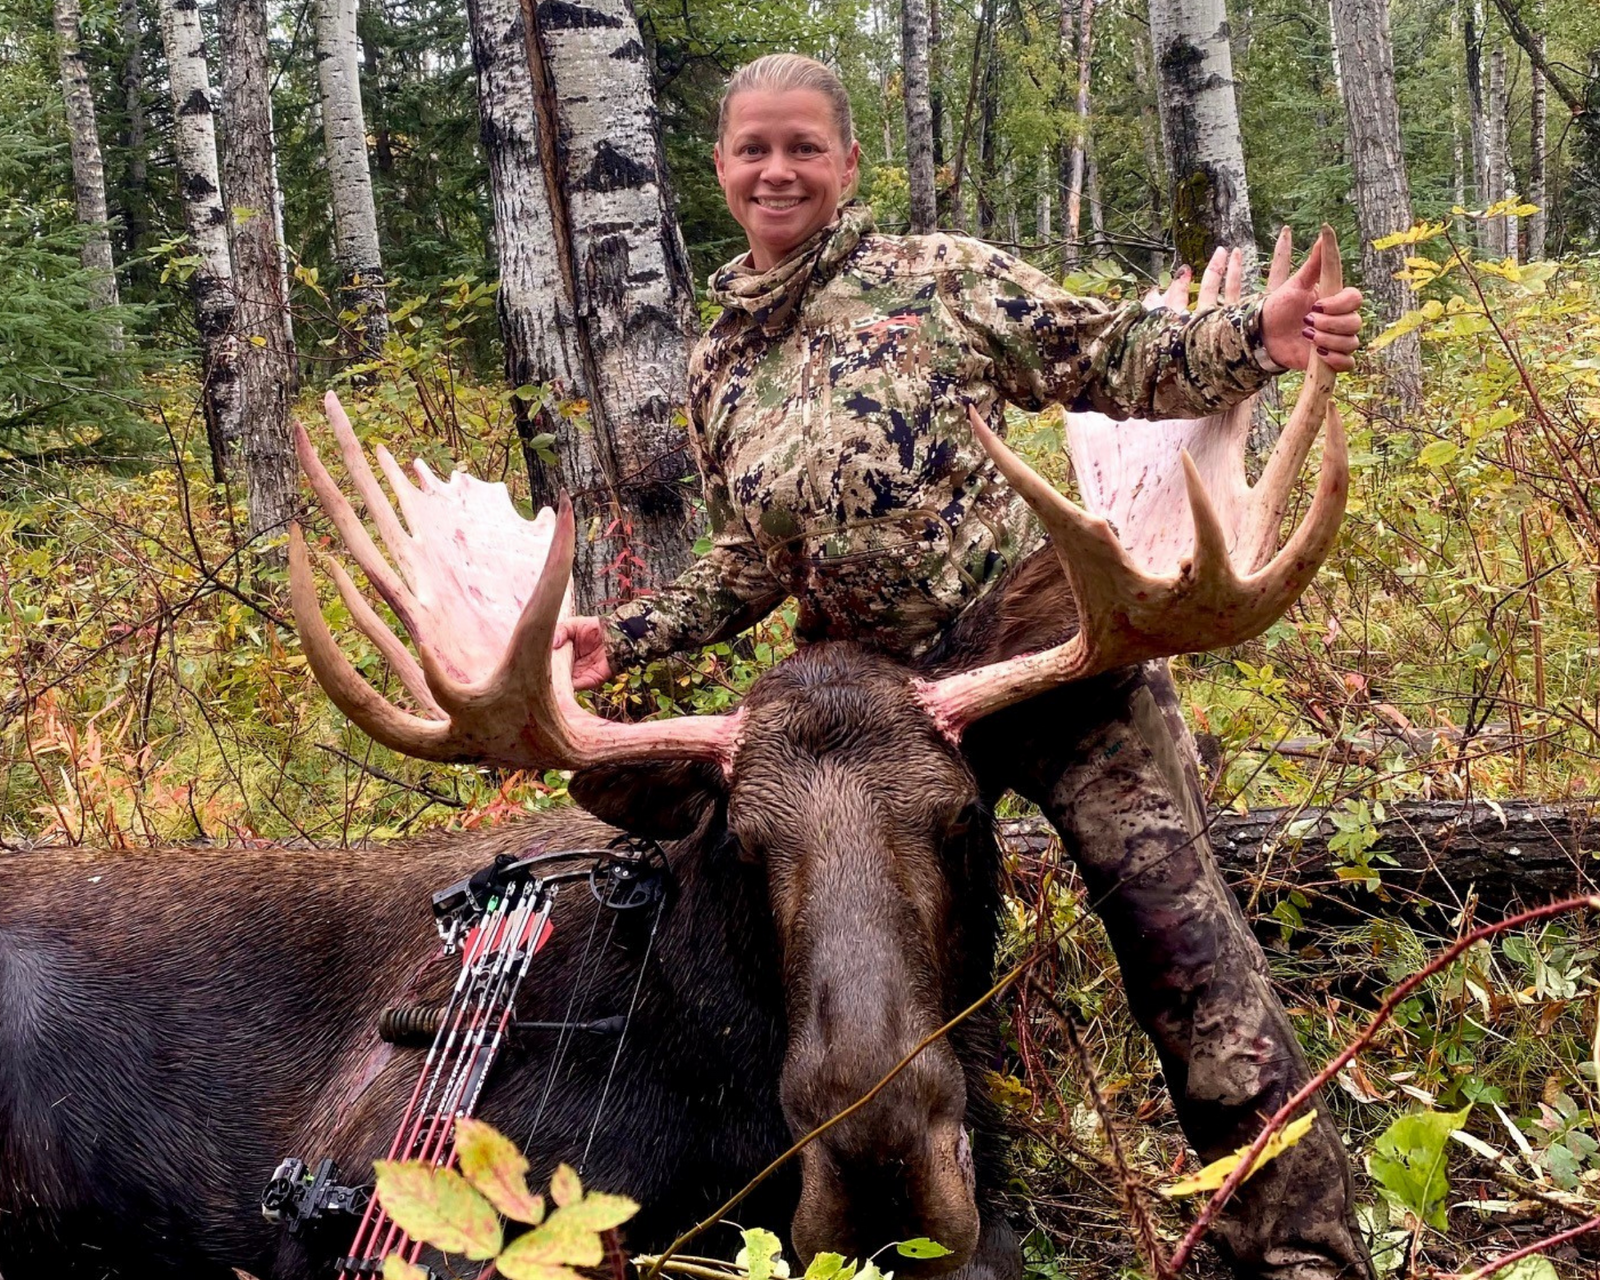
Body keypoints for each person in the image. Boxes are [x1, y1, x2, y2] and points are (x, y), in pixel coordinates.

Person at [558, 53, 1373, 1280]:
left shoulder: (938, 280)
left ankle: (1294, 1243)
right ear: (719, 167)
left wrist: (1255, 337)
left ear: (845, 163)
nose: (777, 170)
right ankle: (901, 1216)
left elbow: (1109, 355)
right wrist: (625, 635)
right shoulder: (719, 357)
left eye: (803, 147)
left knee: (1179, 941)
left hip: (1041, 667)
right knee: (866, 972)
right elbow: (751, 556)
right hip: (876, 726)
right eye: (753, 149)